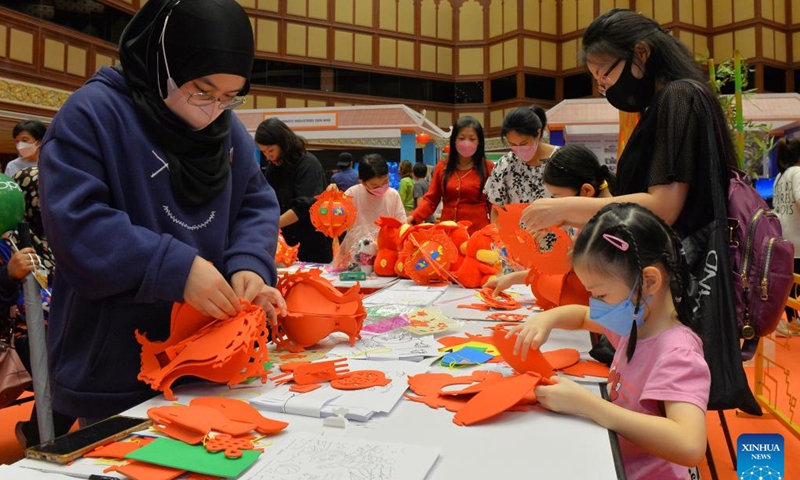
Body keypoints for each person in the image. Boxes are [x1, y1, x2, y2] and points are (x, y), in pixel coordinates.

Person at [38, 0, 285, 422]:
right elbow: (77, 225)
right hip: (115, 370)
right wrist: (176, 268)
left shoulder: (226, 133)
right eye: (201, 91)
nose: (210, 111)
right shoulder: (93, 115)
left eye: (229, 98)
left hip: (208, 359)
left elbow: (255, 202)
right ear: (162, 62)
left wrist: (249, 263)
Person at [508, 203, 710, 480]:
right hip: (613, 461)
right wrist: (547, 320)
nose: (596, 304)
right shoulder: (635, 321)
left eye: (601, 295)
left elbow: (689, 445)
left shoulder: (677, 352)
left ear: (649, 281)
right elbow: (581, 316)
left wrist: (589, 405)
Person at [520, 9, 737, 238]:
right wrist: (568, 216)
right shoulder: (666, 103)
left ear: (641, 53)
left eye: (604, 76)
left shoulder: (678, 97)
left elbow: (663, 208)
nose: (604, 88)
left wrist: (566, 207)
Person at [485, 144, 614, 294]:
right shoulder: (591, 223)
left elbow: (567, 270)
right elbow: (563, 267)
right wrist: (513, 278)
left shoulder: (608, 229)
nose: (556, 203)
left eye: (558, 197)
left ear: (586, 190)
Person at [256, 117, 333, 264]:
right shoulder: (273, 168)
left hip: (310, 245)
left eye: (270, 150)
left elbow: (305, 207)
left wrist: (273, 225)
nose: (268, 156)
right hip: (284, 245)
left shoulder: (308, 163)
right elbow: (267, 200)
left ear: (283, 143)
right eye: (263, 152)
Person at [408, 116, 493, 234]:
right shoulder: (442, 167)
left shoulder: (488, 168)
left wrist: (495, 232)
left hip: (477, 234)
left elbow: (494, 205)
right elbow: (431, 200)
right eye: (462, 138)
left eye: (472, 139)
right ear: (454, 141)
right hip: (447, 233)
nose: (466, 142)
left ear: (479, 142)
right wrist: (414, 217)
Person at [484, 106, 559, 222]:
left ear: (538, 133)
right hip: (516, 237)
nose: (519, 149)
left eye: (524, 143)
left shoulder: (561, 160)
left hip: (558, 237)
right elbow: (496, 210)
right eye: (513, 144)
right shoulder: (505, 165)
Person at [772, 137, 800, 336]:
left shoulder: (779, 178)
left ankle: (792, 321)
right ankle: (793, 321)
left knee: (790, 284)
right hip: (798, 239)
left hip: (785, 239)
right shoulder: (797, 172)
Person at [340, 154, 406, 229]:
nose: (381, 188)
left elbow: (402, 225)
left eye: (385, 182)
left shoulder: (393, 195)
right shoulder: (351, 194)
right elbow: (338, 220)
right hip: (357, 240)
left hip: (386, 240)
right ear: (362, 182)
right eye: (375, 186)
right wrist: (332, 200)